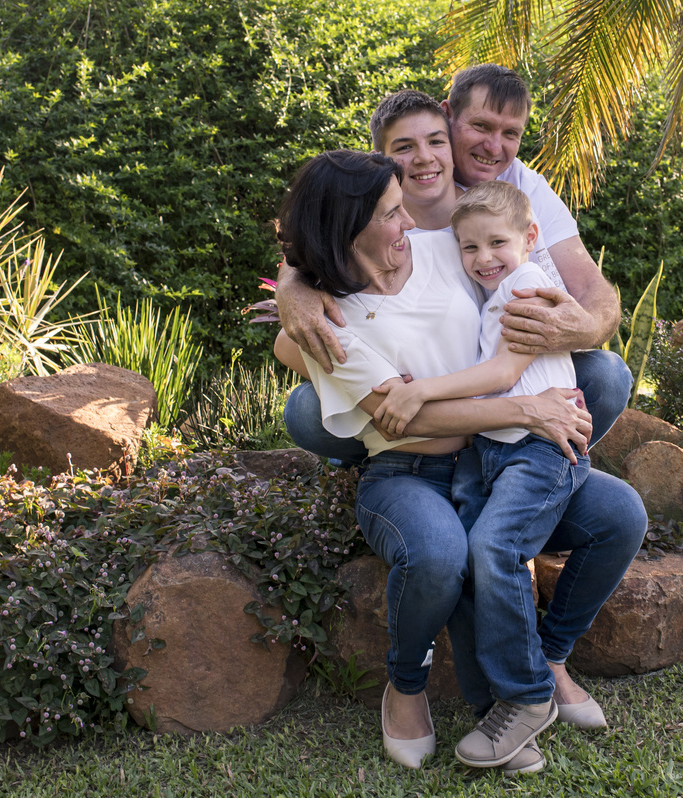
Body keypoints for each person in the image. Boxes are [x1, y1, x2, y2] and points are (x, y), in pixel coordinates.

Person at [273, 150, 646, 773]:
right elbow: (406, 418)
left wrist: (557, 353)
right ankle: (407, 684)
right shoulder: (328, 321)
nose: (411, 221)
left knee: (619, 514)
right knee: (443, 555)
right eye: (393, 214)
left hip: (488, 459)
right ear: (351, 227)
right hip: (406, 471)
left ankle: (545, 662)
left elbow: (531, 260)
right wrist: (528, 411)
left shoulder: (449, 248)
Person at [275, 67, 629, 459]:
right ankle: (394, 468)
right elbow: (319, 235)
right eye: (481, 126)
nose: (494, 147)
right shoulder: (375, 215)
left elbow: (591, 290)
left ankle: (543, 465)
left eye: (510, 133)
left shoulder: (521, 189)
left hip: (501, 372)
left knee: (608, 375)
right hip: (425, 396)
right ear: (450, 115)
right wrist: (291, 287)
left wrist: (580, 329)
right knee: (308, 409)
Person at [367, 180, 588, 767]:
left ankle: (528, 695)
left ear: (531, 238)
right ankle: (495, 710)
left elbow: (500, 373)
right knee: (467, 553)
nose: (484, 257)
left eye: (498, 243)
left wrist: (421, 393)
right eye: (470, 248)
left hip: (541, 448)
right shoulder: (491, 286)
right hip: (494, 447)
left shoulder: (528, 284)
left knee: (495, 548)